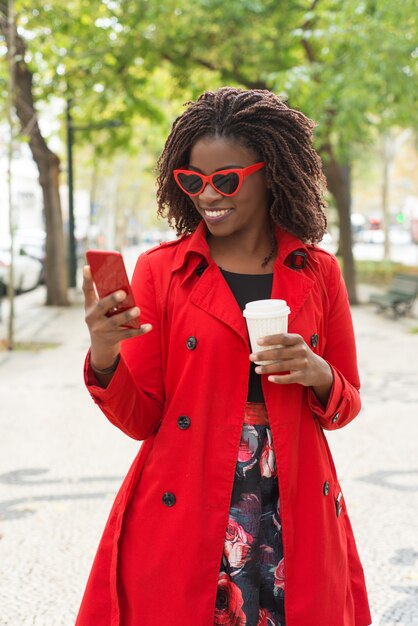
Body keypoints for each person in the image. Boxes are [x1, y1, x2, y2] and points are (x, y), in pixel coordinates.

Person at [77, 87, 371, 626]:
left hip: (293, 497)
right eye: (193, 181)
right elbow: (142, 419)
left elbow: (347, 404)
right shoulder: (160, 272)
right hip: (187, 497)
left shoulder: (317, 272)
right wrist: (104, 353)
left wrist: (319, 374)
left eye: (227, 179)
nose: (208, 194)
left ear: (270, 172)